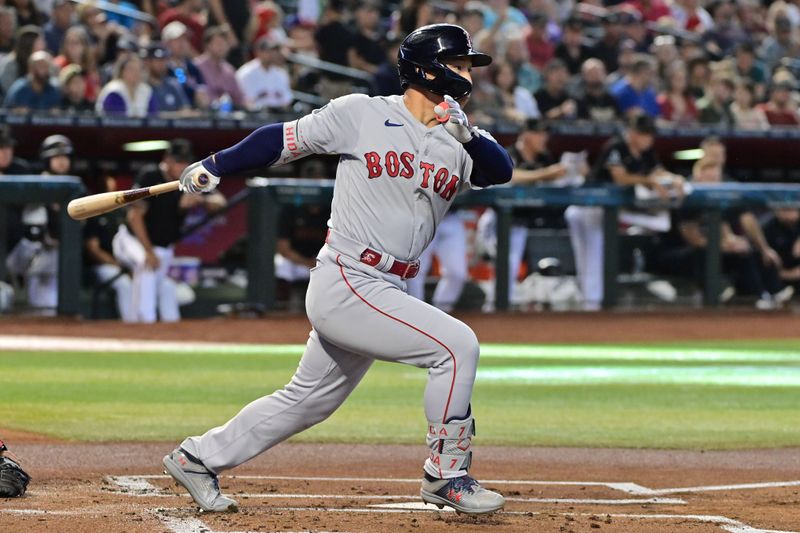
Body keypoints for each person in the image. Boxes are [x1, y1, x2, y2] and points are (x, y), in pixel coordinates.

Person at [162, 23, 511, 515]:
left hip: (388, 284)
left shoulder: (461, 137)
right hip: (348, 276)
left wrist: (467, 134)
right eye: (458, 64)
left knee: (308, 401)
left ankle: (197, 457)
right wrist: (218, 164)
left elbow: (501, 171)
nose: (467, 74)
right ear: (427, 69)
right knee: (456, 347)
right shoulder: (362, 113)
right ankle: (446, 473)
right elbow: (280, 140)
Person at [566, 114, 683, 310]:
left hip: (608, 210)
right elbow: (620, 178)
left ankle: (590, 303)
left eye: (650, 135)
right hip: (586, 207)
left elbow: (659, 172)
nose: (648, 139)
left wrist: (675, 179)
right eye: (644, 134)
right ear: (633, 133)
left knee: (593, 256)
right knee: (591, 256)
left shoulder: (647, 152)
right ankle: (591, 304)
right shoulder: (617, 146)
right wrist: (651, 181)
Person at [113, 139, 226, 324]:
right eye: (178, 161)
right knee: (146, 265)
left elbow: (220, 203)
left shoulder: (191, 179)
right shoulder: (150, 175)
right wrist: (148, 251)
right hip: (131, 241)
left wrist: (200, 200)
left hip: (164, 247)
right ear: (167, 159)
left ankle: (170, 333)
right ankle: (143, 325)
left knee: (165, 287)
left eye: (185, 161)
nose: (182, 165)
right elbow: (134, 216)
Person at [84, 175, 136, 322]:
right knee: (124, 284)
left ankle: (145, 323)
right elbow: (92, 248)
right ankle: (131, 324)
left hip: (122, 263)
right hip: (102, 266)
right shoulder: (94, 215)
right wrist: (116, 264)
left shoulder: (120, 214)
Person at [274, 204, 330, 308]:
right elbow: (283, 249)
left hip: (321, 261)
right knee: (281, 265)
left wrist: (318, 261)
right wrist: (307, 262)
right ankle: (282, 306)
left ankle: (325, 307)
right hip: (296, 261)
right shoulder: (291, 210)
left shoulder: (331, 211)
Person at [193, 26, 245, 109]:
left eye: (225, 43)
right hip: (204, 116)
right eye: (218, 43)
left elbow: (240, 98)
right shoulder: (196, 67)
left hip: (227, 116)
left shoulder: (229, 70)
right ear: (207, 45)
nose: (223, 47)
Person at [235, 36, 293, 112]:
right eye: (268, 51)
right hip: (254, 116)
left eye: (274, 51)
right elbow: (242, 101)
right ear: (258, 52)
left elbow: (287, 101)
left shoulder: (281, 73)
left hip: (278, 116)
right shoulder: (246, 73)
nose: (272, 54)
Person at [162, 21, 208, 108]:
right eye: (177, 40)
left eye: (185, 39)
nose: (182, 43)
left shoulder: (193, 68)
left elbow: (202, 91)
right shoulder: (162, 69)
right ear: (166, 43)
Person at [144, 42, 191, 114]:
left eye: (164, 60)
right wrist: (176, 115)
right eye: (157, 61)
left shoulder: (173, 84)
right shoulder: (143, 86)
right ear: (148, 62)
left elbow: (185, 109)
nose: (161, 64)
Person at [763, 208, 800, 294]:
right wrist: (786, 274)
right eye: (786, 210)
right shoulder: (768, 227)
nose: (790, 215)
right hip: (778, 275)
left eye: (793, 210)